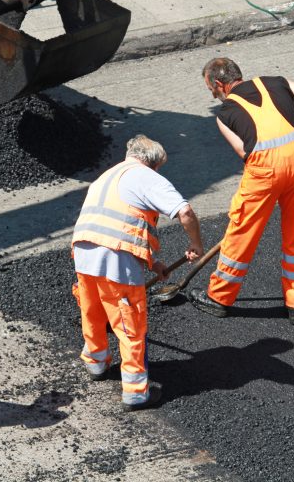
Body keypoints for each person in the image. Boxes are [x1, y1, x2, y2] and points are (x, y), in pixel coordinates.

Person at [189, 57, 294, 325]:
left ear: (220, 84)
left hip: (264, 171)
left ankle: (219, 298)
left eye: (211, 90)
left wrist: (270, 177)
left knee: (241, 232)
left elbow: (245, 153)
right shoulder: (275, 83)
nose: (213, 95)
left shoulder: (225, 114)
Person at [71, 134, 204, 411]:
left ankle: (96, 364)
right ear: (154, 164)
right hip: (115, 261)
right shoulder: (147, 176)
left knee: (93, 311)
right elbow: (186, 212)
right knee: (130, 324)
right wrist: (196, 243)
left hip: (84, 254)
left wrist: (153, 263)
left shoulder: (107, 176)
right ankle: (135, 393)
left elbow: (120, 223)